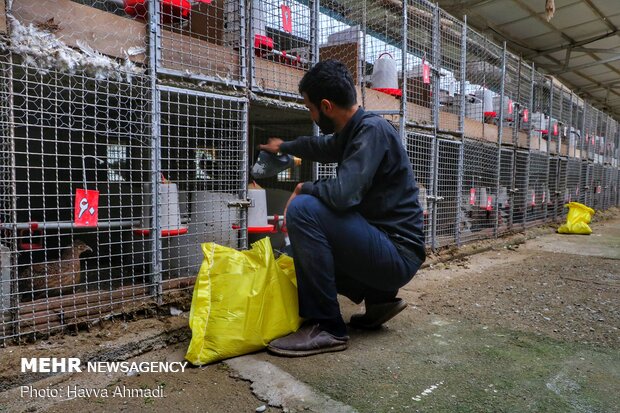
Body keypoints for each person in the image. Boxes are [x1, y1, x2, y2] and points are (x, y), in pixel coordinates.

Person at [259, 59, 425, 357]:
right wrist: (284, 146)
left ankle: (326, 326)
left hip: (396, 255)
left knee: (304, 210)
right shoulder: (356, 131)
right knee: (318, 225)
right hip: (387, 251)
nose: (310, 113)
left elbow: (344, 195)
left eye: (309, 107)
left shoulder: (371, 131)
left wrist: (303, 188)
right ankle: (379, 299)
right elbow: (321, 147)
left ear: (326, 106)